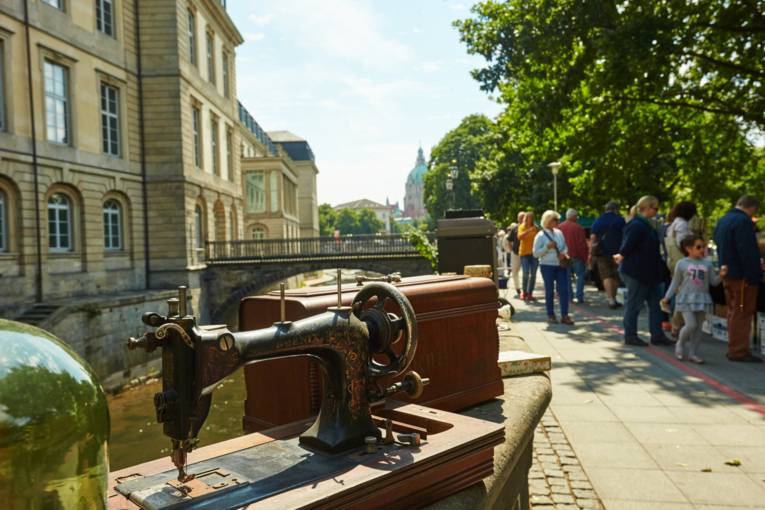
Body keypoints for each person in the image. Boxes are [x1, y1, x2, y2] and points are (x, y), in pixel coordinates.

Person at [613, 196, 673, 346]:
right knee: (634, 305)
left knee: (655, 305)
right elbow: (627, 246)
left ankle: (657, 335)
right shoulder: (637, 225)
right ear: (646, 208)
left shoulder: (645, 224)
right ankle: (631, 336)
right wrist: (622, 255)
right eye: (655, 208)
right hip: (637, 272)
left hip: (648, 272)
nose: (657, 211)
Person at [661, 235, 727, 363]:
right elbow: (675, 283)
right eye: (698, 247)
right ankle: (680, 343)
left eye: (704, 247)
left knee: (698, 328)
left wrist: (722, 275)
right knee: (690, 325)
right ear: (688, 249)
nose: (702, 249)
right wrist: (667, 297)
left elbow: (713, 282)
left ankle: (693, 353)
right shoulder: (681, 264)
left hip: (702, 299)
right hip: (685, 298)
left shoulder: (707, 264)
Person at [713, 195, 763, 362]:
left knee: (733, 310)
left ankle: (735, 347)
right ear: (752, 208)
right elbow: (747, 252)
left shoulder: (724, 219)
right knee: (742, 312)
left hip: (728, 272)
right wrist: (753, 275)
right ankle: (738, 351)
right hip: (742, 276)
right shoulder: (743, 222)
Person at [665, 201, 700, 336]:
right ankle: (677, 325)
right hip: (683, 264)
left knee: (681, 294)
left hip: (673, 262)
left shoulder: (673, 224)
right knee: (684, 296)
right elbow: (683, 244)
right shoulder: (682, 224)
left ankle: (677, 325)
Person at [533, 210, 574, 325]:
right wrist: (547, 247)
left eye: (557, 219)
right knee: (549, 291)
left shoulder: (559, 233)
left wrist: (564, 253)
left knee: (564, 290)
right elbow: (535, 253)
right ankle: (551, 315)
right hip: (547, 266)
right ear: (547, 221)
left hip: (560, 265)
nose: (557, 222)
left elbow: (565, 246)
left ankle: (565, 315)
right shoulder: (540, 235)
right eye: (554, 220)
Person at [591, 201, 626, 309]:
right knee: (615, 275)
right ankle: (614, 299)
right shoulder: (620, 220)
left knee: (606, 275)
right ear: (616, 209)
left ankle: (610, 299)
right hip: (617, 252)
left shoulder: (599, 220)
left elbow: (593, 237)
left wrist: (591, 253)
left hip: (601, 252)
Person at [559, 208, 588, 304]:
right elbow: (581, 244)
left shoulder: (559, 227)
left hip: (564, 255)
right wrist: (585, 257)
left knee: (566, 277)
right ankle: (579, 296)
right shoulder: (578, 228)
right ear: (574, 217)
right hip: (576, 255)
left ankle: (569, 296)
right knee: (580, 275)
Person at [518, 211, 540, 301]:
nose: (529, 219)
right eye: (528, 217)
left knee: (533, 274)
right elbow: (519, 237)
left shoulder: (535, 228)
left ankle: (530, 293)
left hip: (534, 254)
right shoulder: (521, 227)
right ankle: (524, 292)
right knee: (525, 274)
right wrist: (528, 231)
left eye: (531, 217)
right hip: (524, 254)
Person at [506, 212, 525, 298]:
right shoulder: (515, 229)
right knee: (515, 271)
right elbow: (509, 240)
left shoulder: (529, 228)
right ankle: (518, 288)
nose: (522, 219)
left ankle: (526, 289)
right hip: (516, 253)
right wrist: (511, 250)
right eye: (520, 217)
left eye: (523, 217)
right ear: (518, 219)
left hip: (526, 254)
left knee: (526, 272)